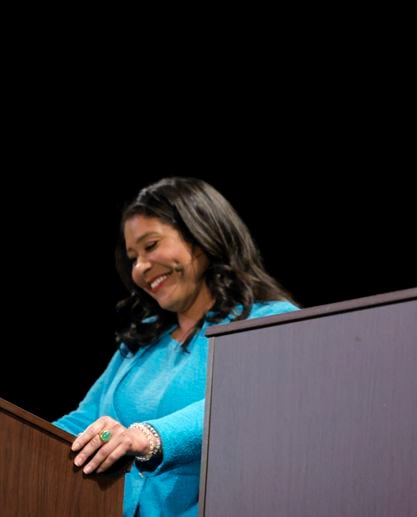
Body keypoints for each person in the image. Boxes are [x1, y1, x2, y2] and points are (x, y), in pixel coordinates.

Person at [53, 177, 298, 517]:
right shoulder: (142, 341)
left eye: (150, 246)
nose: (139, 268)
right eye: (133, 257)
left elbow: (242, 409)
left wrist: (147, 436)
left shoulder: (273, 323)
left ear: (202, 235)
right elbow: (84, 422)